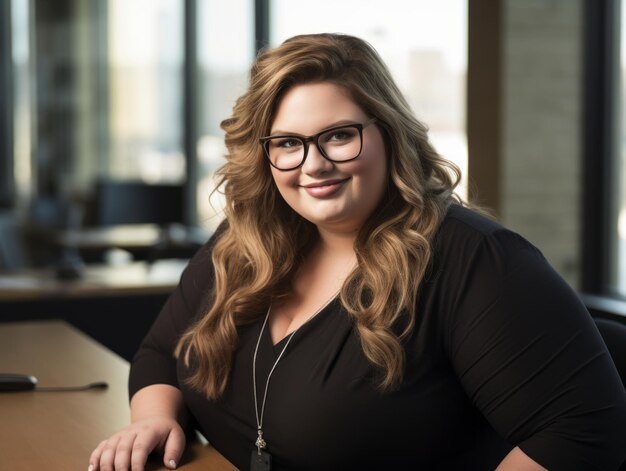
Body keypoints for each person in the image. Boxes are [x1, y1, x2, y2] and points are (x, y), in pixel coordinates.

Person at [88, 33, 626, 471]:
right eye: (288, 143)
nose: (313, 165)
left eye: (339, 136)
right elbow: (161, 352)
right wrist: (152, 419)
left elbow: (581, 433)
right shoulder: (244, 243)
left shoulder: (474, 261)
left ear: (389, 134)